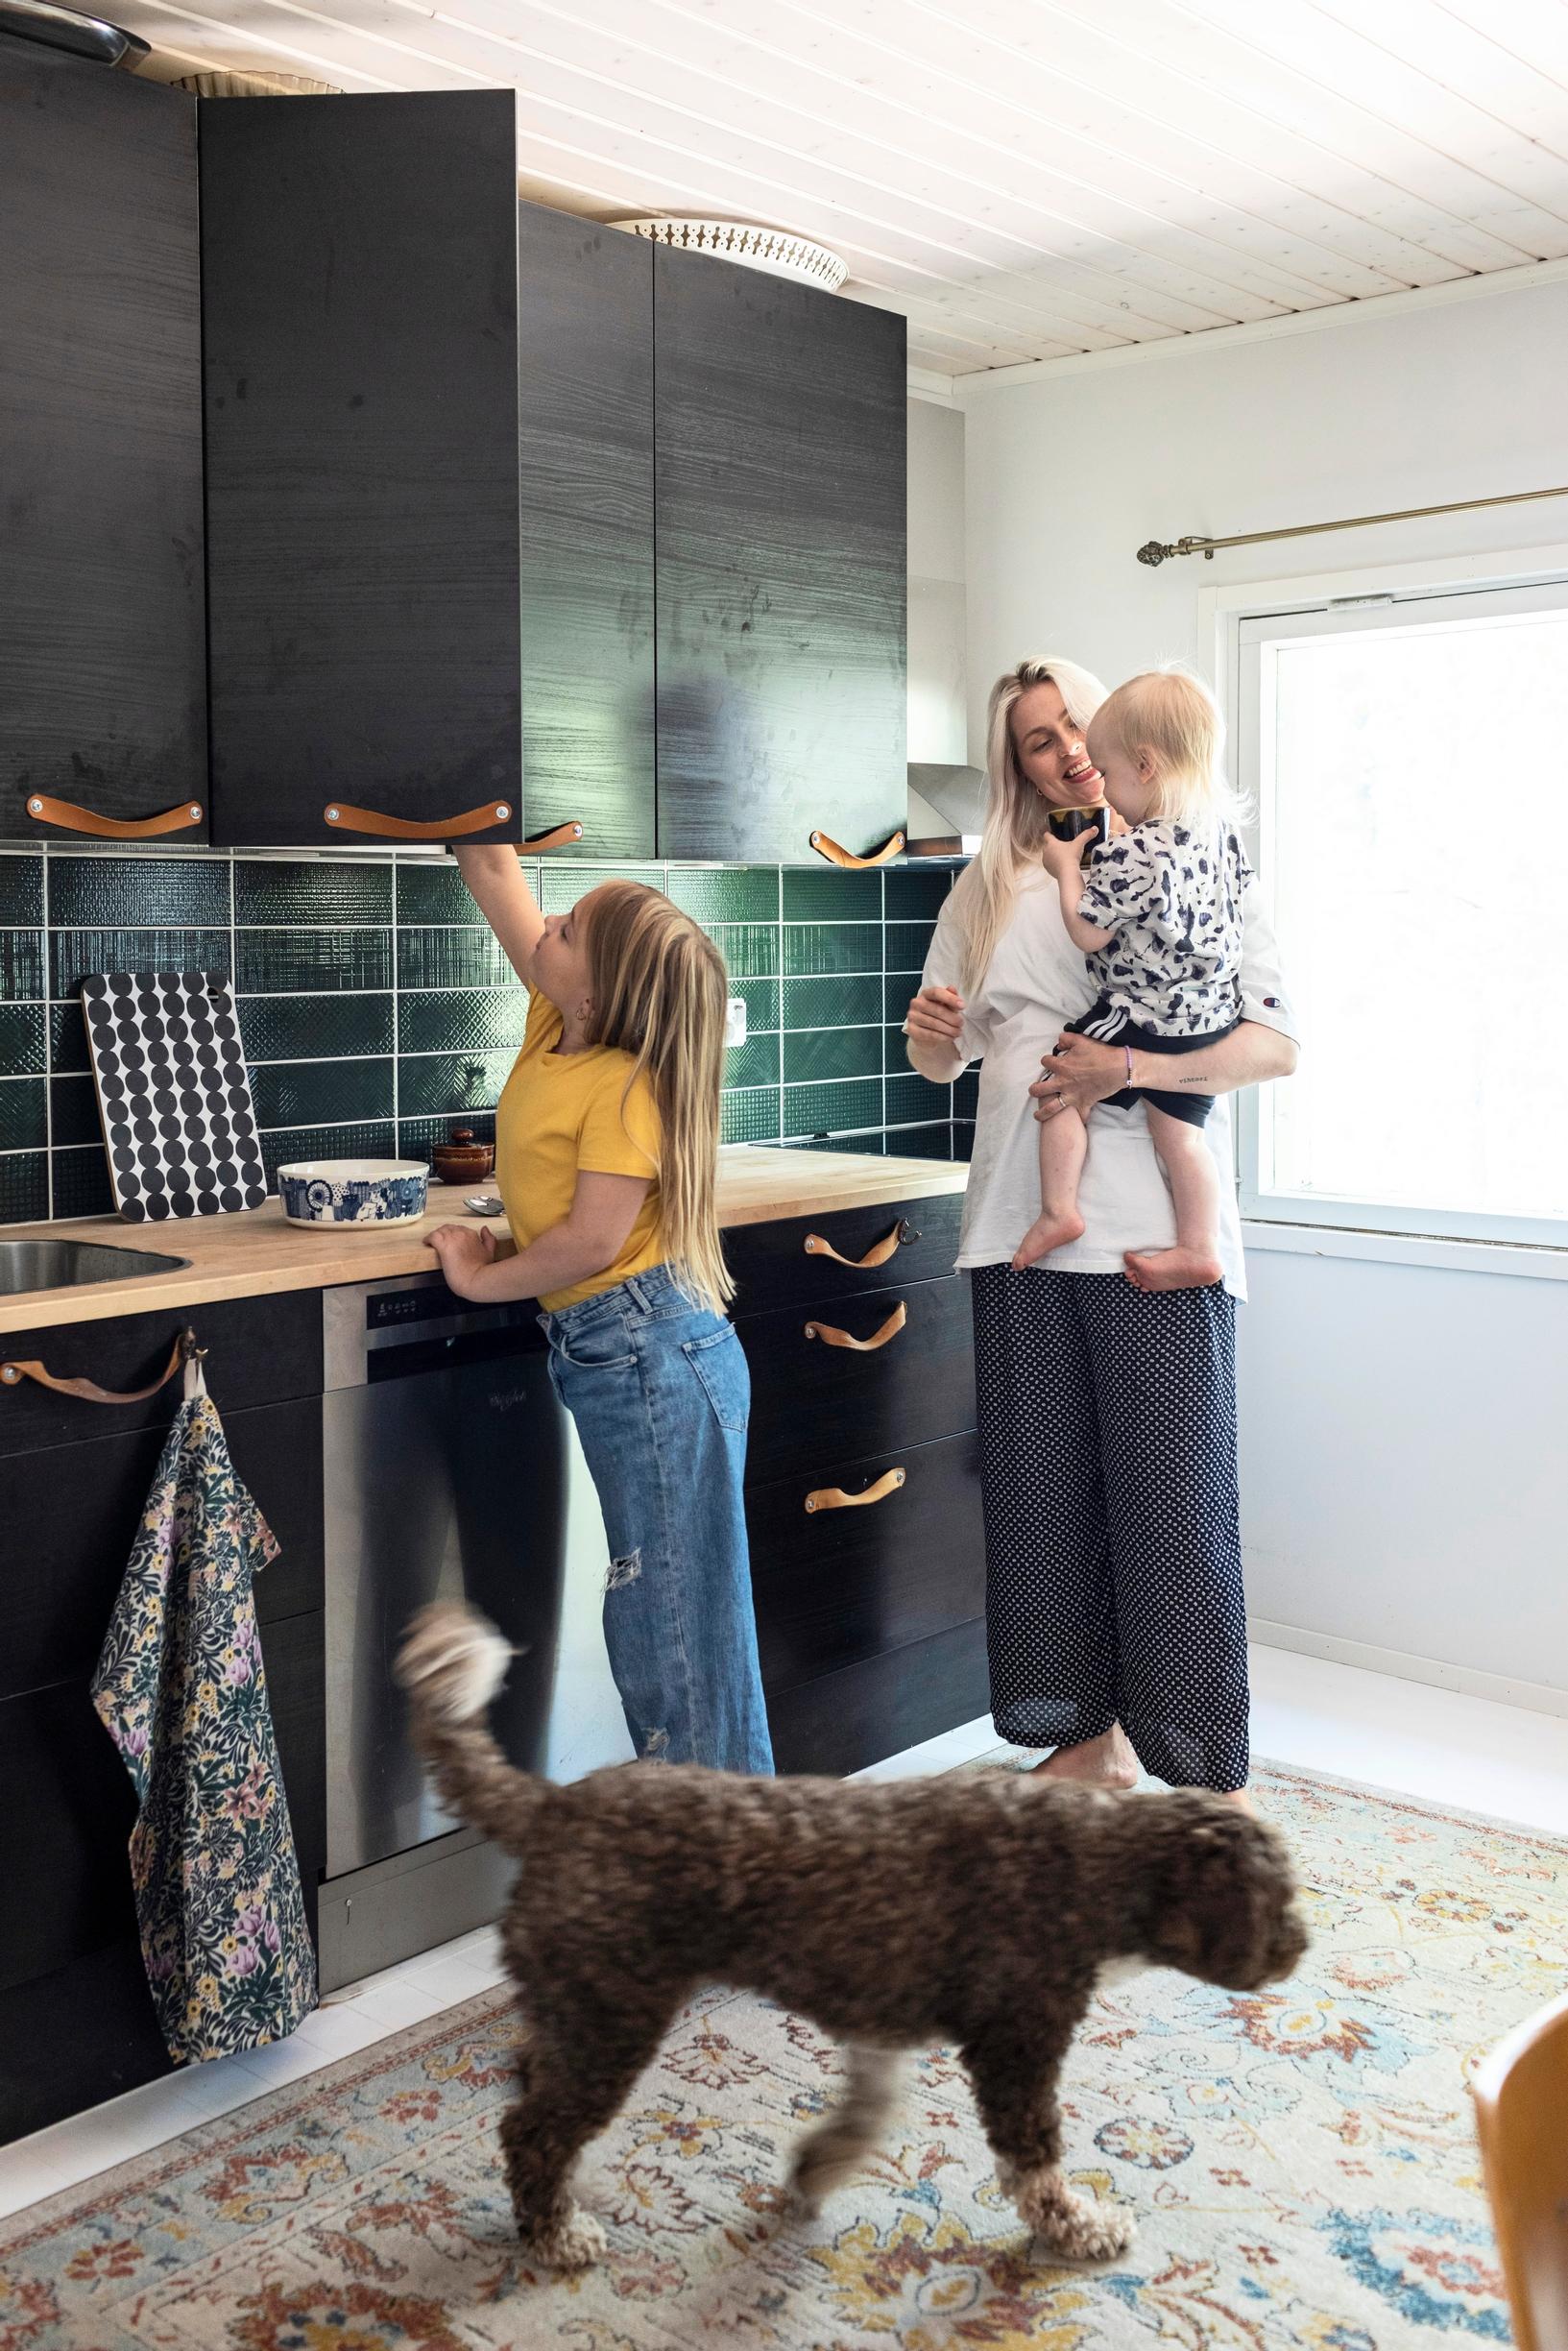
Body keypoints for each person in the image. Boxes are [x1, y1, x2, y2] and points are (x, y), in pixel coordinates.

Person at [905, 657, 1298, 1804]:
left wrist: (1127, 1065)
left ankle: (1204, 1777)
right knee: (1042, 1501)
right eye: (1036, 738)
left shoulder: (1202, 856)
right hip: (1016, 1223)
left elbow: (1272, 1045)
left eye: (1075, 722)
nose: (1064, 745)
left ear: (1118, 733)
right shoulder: (989, 884)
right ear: (1017, 767)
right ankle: (1082, 1741)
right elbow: (945, 1054)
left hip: (1151, 1231)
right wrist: (931, 1030)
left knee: (1172, 1507)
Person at [425, 851, 774, 1777]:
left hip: (650, 1352)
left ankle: (721, 1883)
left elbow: (586, 1243)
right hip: (625, 1350)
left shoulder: (626, 1084)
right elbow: (497, 879)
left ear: (599, 993)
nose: (547, 930)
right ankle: (724, 1871)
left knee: (675, 1632)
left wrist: (477, 1278)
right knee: (673, 1620)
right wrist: (464, 796)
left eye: (568, 929)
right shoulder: (559, 1025)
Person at [1017, 667, 1251, 1292]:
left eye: (1111, 775)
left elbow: (1088, 932)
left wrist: (1067, 866)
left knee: (1058, 1086)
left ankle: (1057, 1210)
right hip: (1206, 1020)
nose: (1109, 795)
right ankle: (1199, 1247)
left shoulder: (1134, 848)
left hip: (1140, 1011)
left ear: (1144, 766)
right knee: (1181, 1139)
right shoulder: (1221, 836)